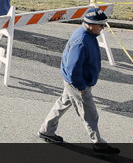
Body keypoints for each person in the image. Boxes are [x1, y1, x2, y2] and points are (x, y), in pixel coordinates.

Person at [38, 8, 120, 157]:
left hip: (74, 82)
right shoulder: (82, 41)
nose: (103, 28)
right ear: (90, 24)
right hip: (77, 83)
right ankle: (98, 144)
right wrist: (81, 87)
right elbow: (73, 68)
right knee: (90, 114)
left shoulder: (87, 34)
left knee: (62, 104)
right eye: (101, 25)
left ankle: (46, 131)